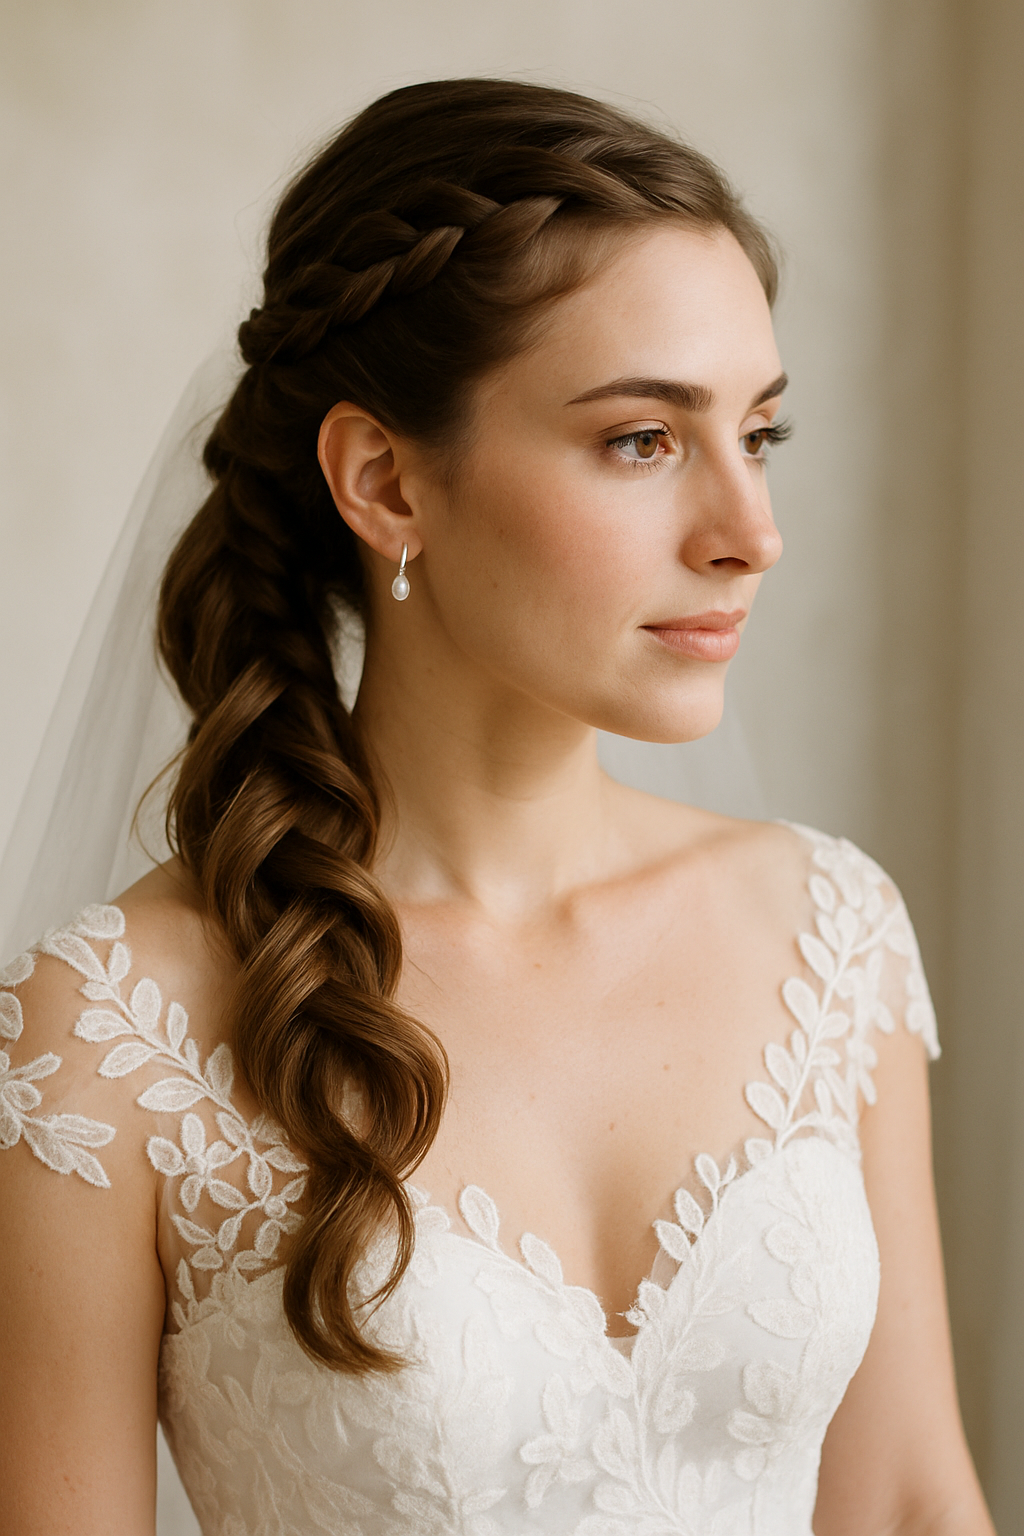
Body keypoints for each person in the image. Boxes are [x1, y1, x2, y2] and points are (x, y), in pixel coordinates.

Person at [0, 78, 994, 1535]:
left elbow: (909, 1500)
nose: (750, 534)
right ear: (386, 480)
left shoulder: (830, 935)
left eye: (758, 434)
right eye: (644, 440)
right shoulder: (111, 1038)